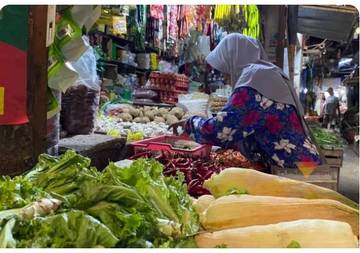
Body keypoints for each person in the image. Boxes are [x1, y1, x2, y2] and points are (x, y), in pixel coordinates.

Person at [169, 33, 321, 169]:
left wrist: (190, 122)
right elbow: (244, 125)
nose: (226, 78)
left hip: (295, 171)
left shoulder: (253, 81)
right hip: (302, 164)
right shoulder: (265, 74)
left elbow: (221, 131)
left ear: (234, 59)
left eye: (226, 70)